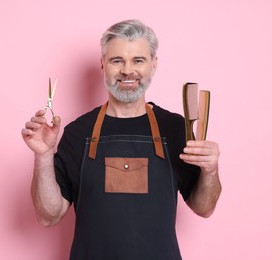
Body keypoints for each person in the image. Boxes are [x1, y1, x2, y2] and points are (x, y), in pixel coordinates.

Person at [21, 19, 222, 260]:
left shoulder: (176, 128)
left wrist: (210, 171)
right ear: (103, 65)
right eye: (117, 61)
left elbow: (204, 207)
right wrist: (43, 155)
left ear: (153, 65)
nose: (128, 70)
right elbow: (48, 216)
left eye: (138, 60)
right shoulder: (78, 132)